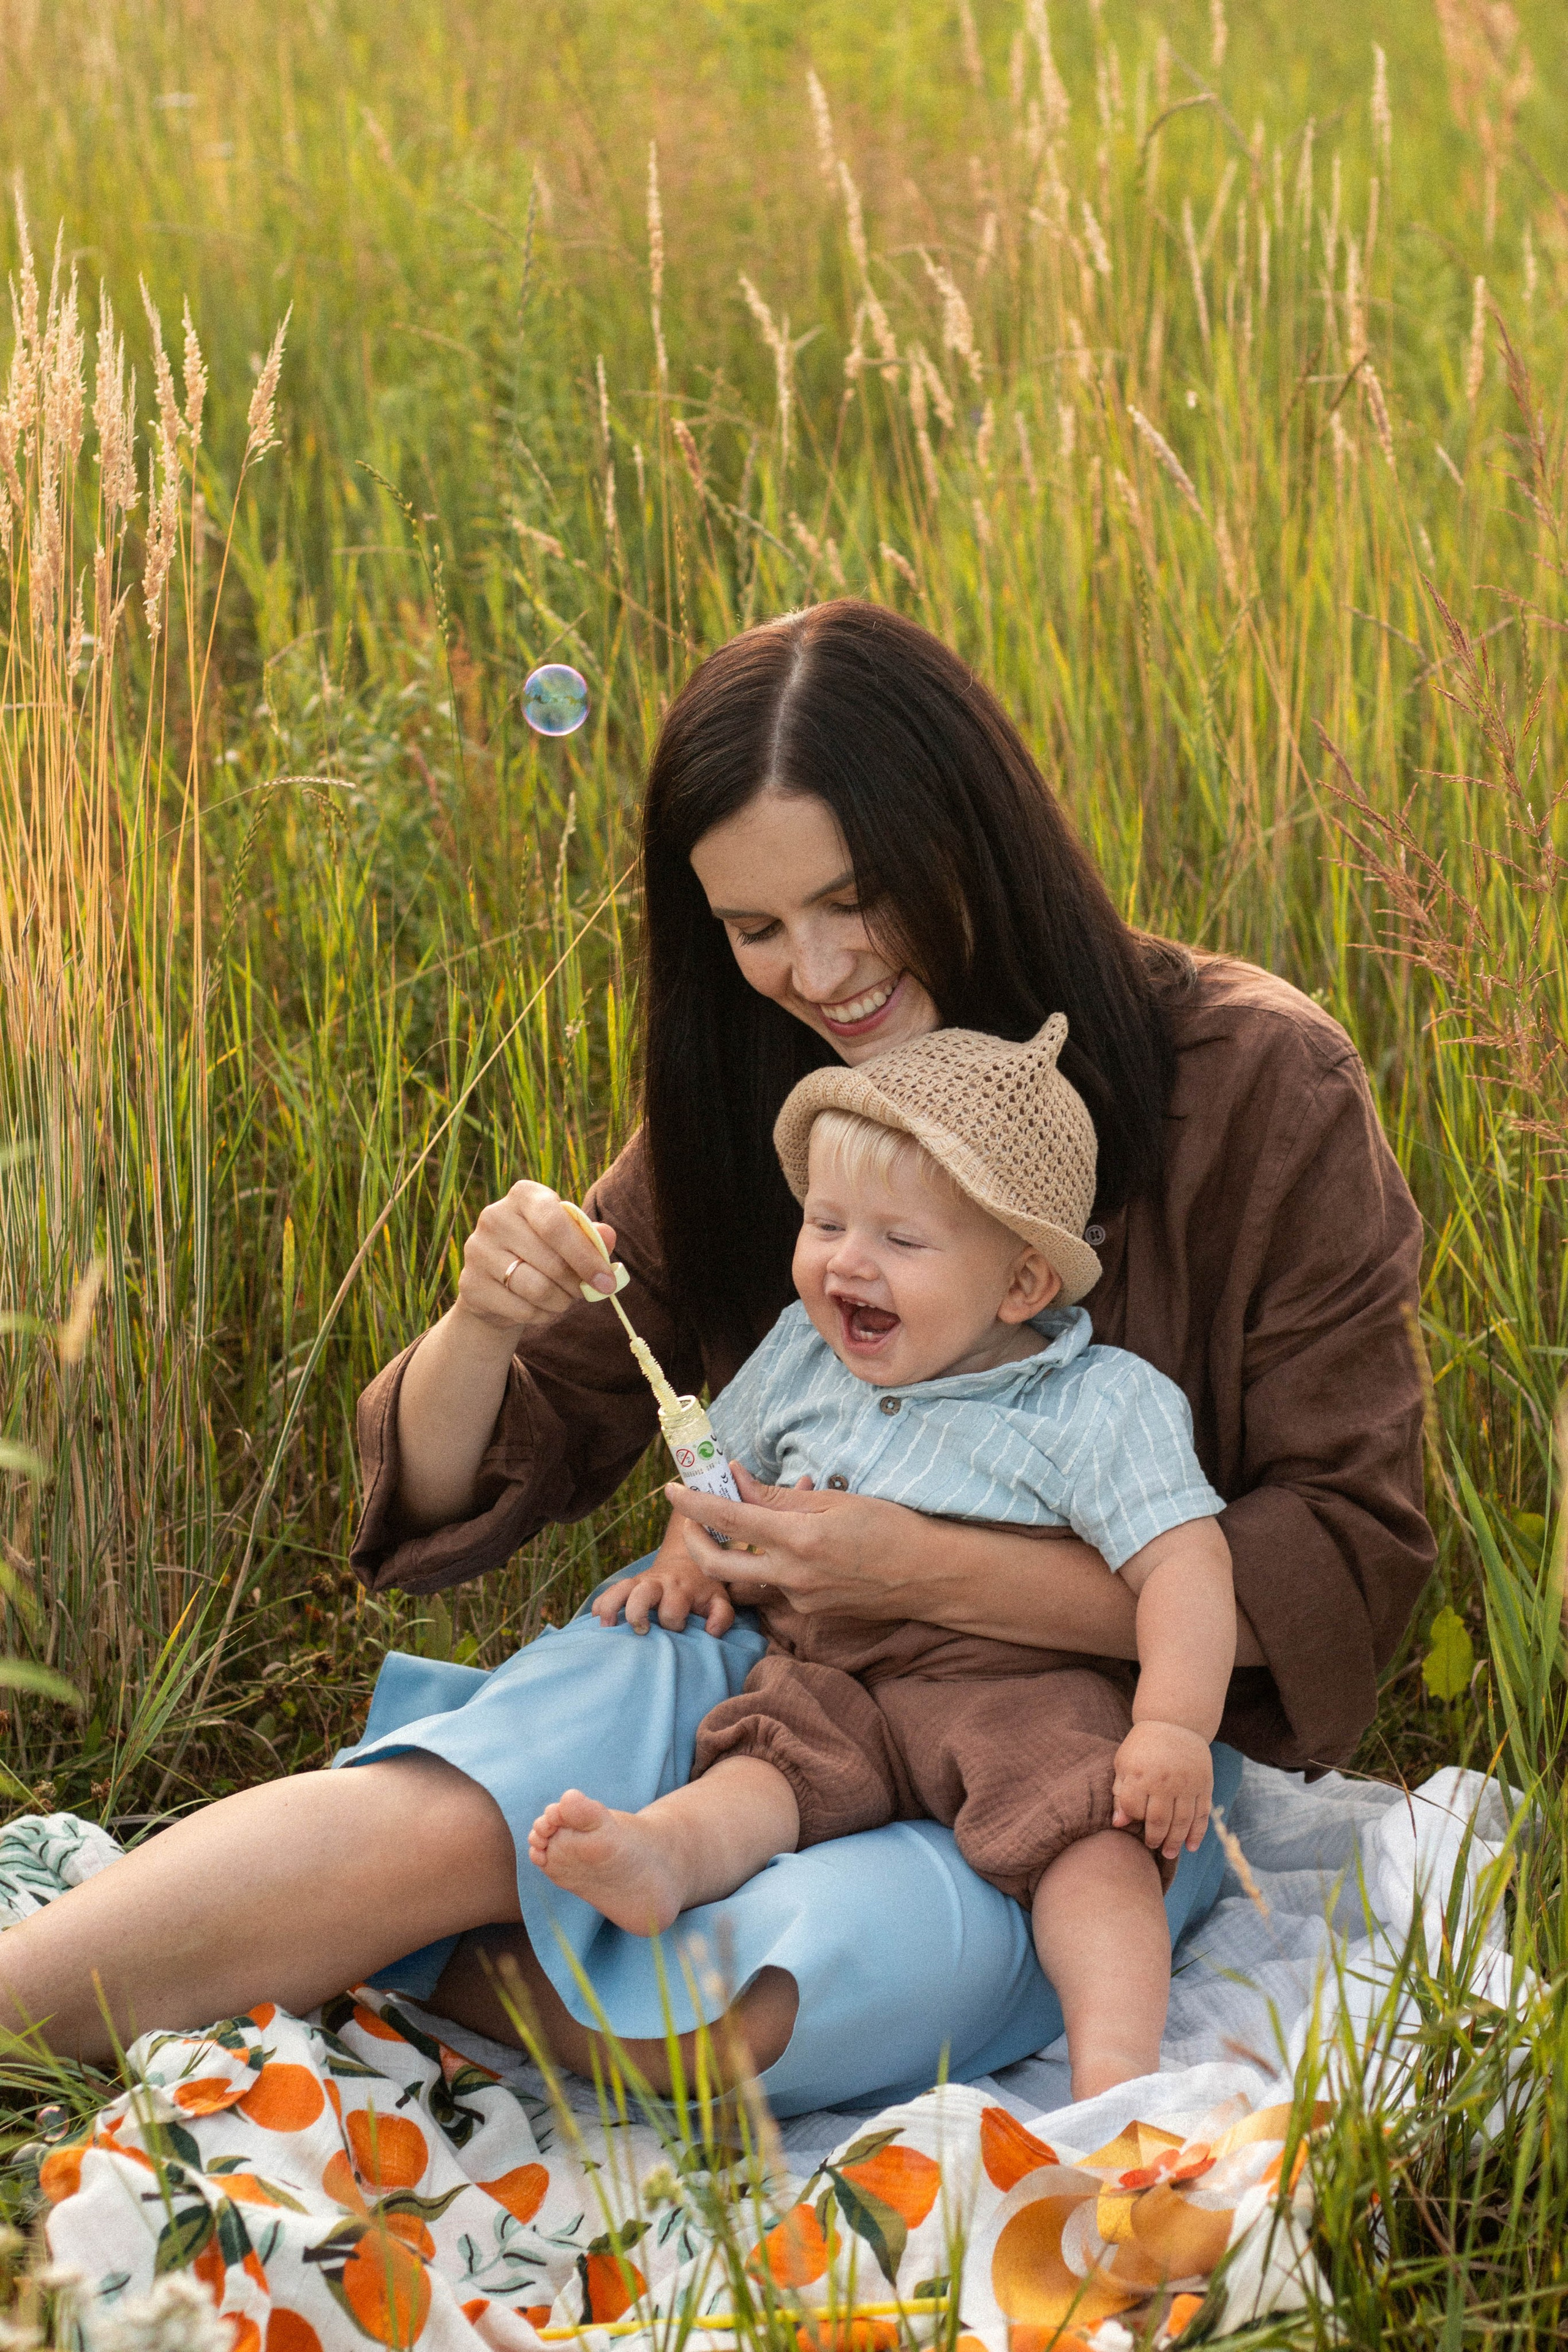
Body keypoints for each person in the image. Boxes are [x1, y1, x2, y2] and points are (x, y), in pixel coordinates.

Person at [0, 602, 1432, 2113]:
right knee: (461, 1805)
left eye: (852, 899)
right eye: (754, 929)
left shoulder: (1256, 1080)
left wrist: (928, 1573)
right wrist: (481, 1324)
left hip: (1062, 1744)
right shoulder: (774, 1091)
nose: (817, 975)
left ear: (974, 838)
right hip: (768, 1668)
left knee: (751, 2017)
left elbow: (1347, 1547)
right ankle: (309, 1916)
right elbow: (463, 1474)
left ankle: (412, 1945)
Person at [529, 1019, 1237, 2101]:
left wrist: (1173, 1725)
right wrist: (688, 1552)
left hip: (1015, 1686)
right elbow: (724, 1463)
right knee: (764, 1765)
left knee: (1090, 1841)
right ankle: (663, 1857)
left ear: (1019, 1283)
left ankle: (1115, 2072)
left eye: (901, 1242)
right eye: (824, 1223)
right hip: (831, 1670)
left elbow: (1187, 1565)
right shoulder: (806, 1356)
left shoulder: (1096, 1403)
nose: (845, 1262)